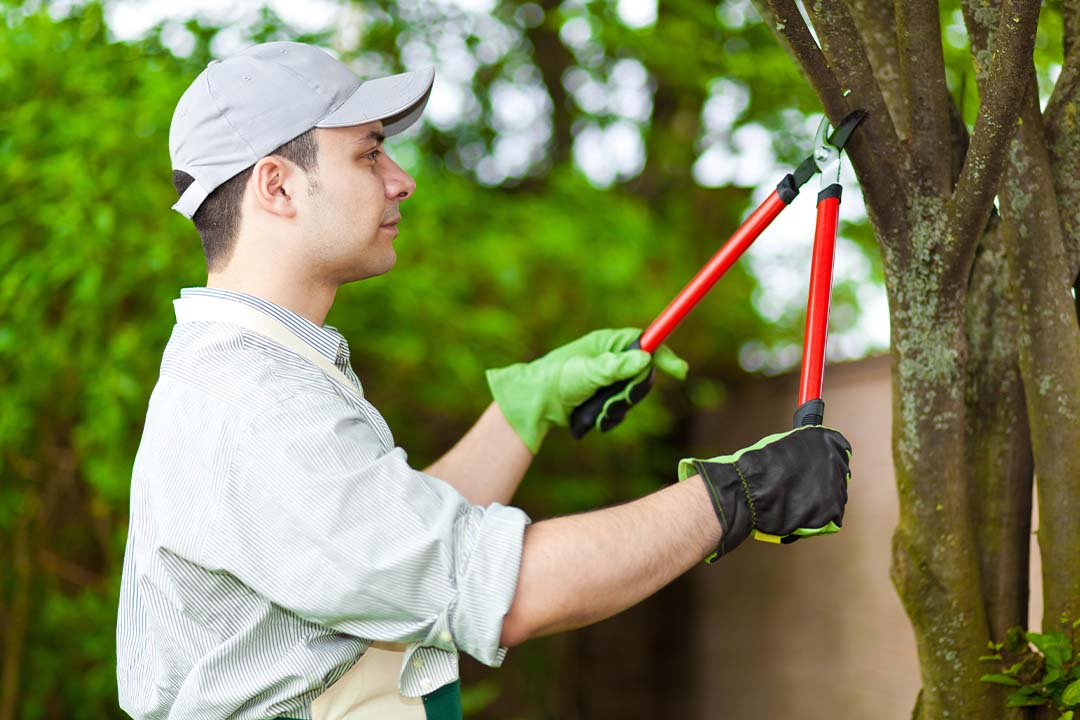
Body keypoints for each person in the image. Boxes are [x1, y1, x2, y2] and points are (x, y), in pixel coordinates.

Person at [116, 41, 851, 720]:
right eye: (369, 156)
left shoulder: (256, 370)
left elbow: (391, 552)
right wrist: (736, 496)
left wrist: (525, 405)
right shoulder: (254, 404)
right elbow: (500, 589)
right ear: (277, 187)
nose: (400, 180)